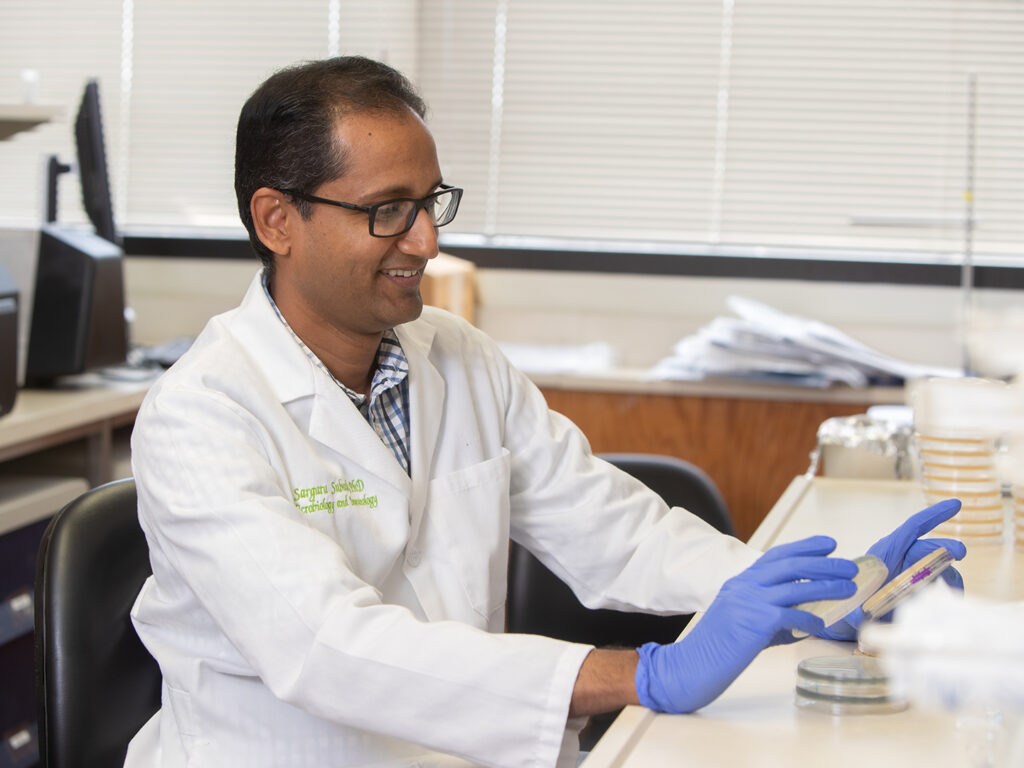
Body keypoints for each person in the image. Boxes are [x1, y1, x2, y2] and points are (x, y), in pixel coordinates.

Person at [126, 56, 967, 768]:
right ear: (278, 219)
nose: (425, 242)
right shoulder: (200, 415)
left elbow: (612, 531)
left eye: (431, 203)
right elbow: (326, 648)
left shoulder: (456, 357)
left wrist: (824, 593)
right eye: (388, 211)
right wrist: (645, 675)